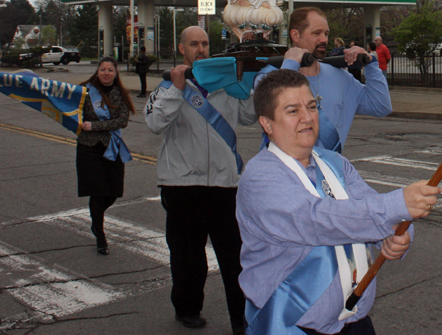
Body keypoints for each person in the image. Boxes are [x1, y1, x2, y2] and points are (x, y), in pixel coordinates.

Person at [237, 69, 441, 335]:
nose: (308, 117)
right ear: (267, 124)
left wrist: (396, 236)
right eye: (292, 110)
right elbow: (317, 220)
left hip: (354, 321)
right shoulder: (260, 177)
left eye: (312, 106)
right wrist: (397, 205)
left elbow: (373, 207)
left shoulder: (335, 162)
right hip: (289, 324)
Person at [144, 26, 256, 334]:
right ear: (182, 49)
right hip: (182, 186)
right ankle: (187, 308)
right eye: (194, 44)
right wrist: (176, 90)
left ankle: (242, 319)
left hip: (225, 186)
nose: (201, 48)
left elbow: (250, 115)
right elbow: (154, 122)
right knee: (188, 259)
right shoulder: (168, 87)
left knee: (236, 259)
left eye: (205, 43)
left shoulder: (225, 86)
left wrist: (247, 81)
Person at [256, 7, 391, 153]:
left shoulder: (341, 77)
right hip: (282, 171)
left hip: (328, 172)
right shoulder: (268, 77)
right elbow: (275, 112)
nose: (324, 40)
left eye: (326, 34)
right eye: (317, 33)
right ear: (295, 35)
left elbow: (381, 106)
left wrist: (370, 64)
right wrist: (290, 66)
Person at [77, 56, 136, 255]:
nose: (106, 73)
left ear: (115, 73)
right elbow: (72, 111)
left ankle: (95, 219)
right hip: (89, 147)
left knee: (113, 192)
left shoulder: (120, 94)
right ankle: (100, 236)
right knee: (97, 191)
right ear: (98, 71)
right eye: (103, 69)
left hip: (112, 146)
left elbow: (122, 121)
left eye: (110, 70)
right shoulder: (85, 90)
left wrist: (95, 125)